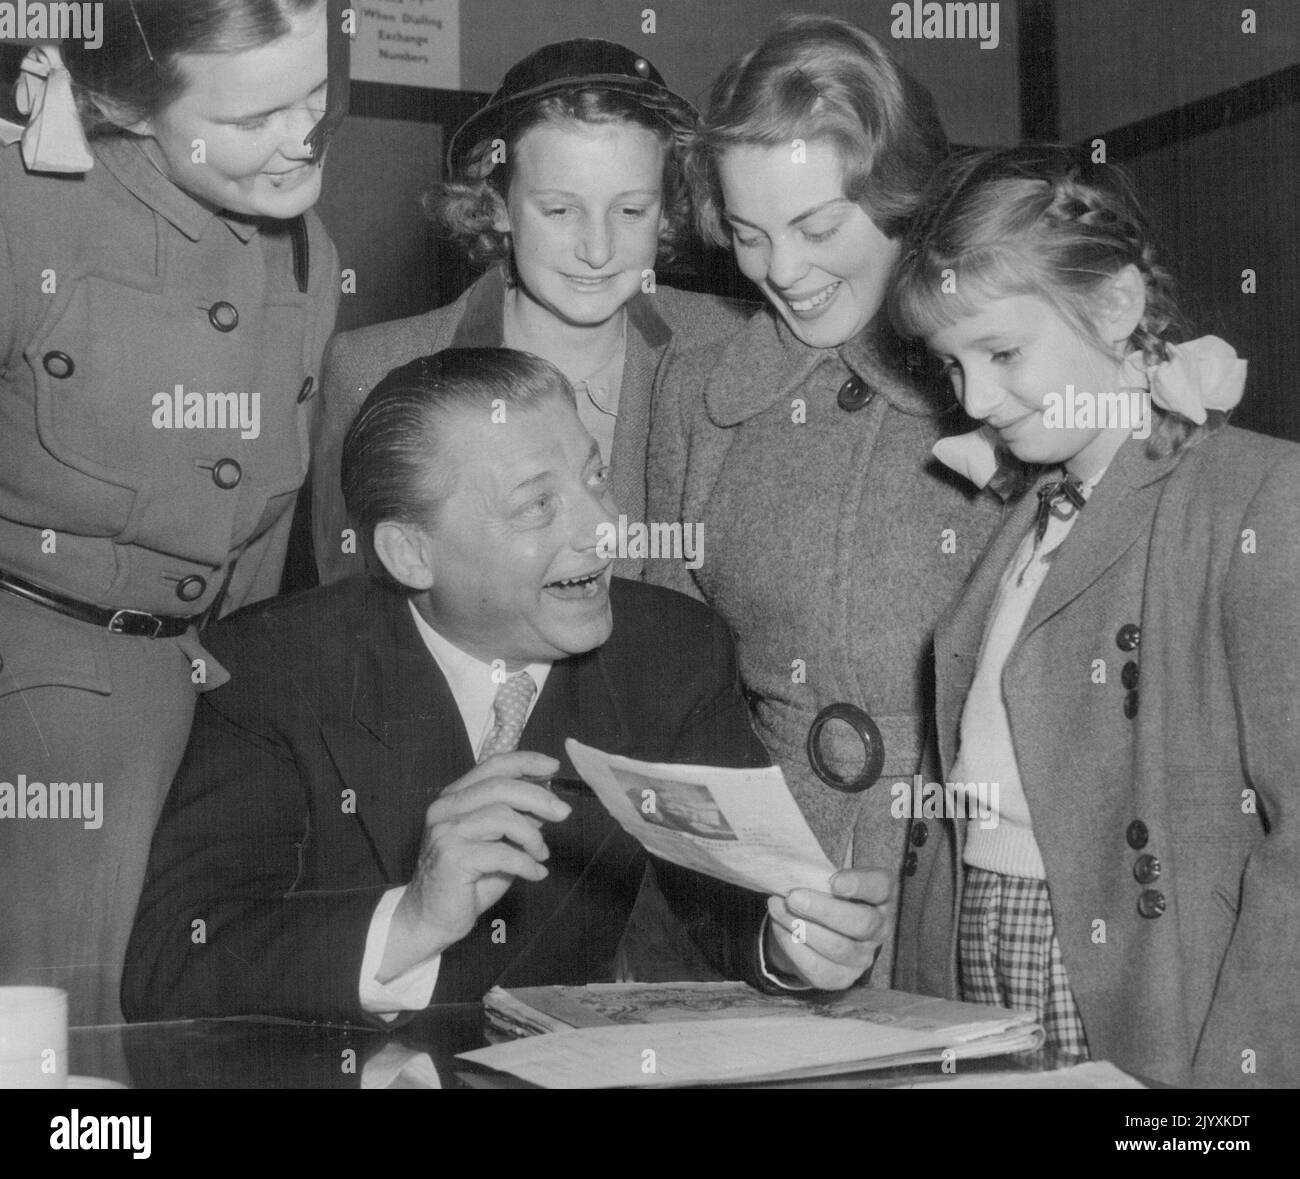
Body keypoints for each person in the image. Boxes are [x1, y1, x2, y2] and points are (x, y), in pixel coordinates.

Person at [122, 349, 895, 1023]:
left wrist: (797, 943)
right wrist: (413, 920)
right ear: (410, 554)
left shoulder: (673, 650)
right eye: (537, 504)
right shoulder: (273, 665)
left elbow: (732, 900)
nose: (605, 526)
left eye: (595, 477)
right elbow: (174, 959)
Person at [889, 144, 1300, 1087]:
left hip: (1136, 979)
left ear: (1115, 305)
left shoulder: (1255, 496)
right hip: (980, 940)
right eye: (951, 364)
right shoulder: (1031, 510)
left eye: (1002, 352)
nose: (975, 398)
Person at [0, 0, 341, 1026]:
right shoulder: (24, 210)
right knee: (54, 1033)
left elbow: (264, 531)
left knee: (186, 1025)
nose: (303, 137)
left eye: (316, 95)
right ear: (126, 106)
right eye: (253, 118)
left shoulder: (305, 244)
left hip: (206, 704)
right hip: (37, 716)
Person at [645, 15, 1001, 986]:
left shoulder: (1012, 376)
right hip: (766, 906)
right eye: (748, 234)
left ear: (903, 198)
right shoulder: (697, 391)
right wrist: (755, 917)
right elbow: (674, 686)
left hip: (980, 885)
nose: (783, 271)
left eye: (816, 227)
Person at [312, 38, 755, 585]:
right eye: (560, 210)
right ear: (497, 206)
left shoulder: (736, 346)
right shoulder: (373, 368)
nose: (598, 250)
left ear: (667, 212)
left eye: (631, 211)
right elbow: (353, 609)